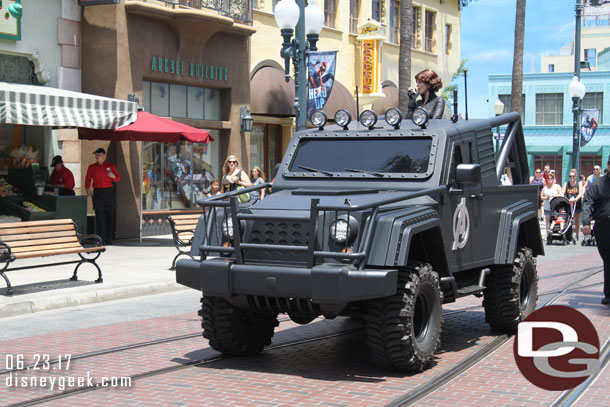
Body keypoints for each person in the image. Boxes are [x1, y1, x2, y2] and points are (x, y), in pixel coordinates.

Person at [582, 155, 610, 305]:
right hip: (603, 227)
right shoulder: (598, 184)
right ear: (608, 165)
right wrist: (586, 222)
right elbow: (588, 203)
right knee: (608, 260)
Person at [85, 148, 120, 245]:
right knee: (100, 217)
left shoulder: (110, 166)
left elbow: (118, 178)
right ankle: (101, 238)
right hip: (98, 192)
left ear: (104, 156)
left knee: (109, 216)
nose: (97, 157)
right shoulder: (91, 167)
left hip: (108, 192)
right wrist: (87, 188)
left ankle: (109, 238)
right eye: (96, 155)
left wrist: (113, 176)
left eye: (99, 155)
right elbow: (88, 178)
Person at [563, 170, 583, 242]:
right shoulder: (566, 184)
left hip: (576, 204)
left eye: (573, 176)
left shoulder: (579, 184)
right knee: (568, 220)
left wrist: (575, 199)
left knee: (576, 221)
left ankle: (577, 234)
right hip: (568, 204)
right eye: (570, 176)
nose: (572, 178)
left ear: (575, 177)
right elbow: (563, 193)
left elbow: (580, 193)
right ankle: (567, 234)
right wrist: (566, 199)